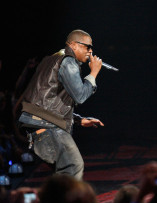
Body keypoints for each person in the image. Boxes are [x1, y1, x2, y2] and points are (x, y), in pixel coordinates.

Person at [18, 29, 104, 180]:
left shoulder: (51, 59)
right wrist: (93, 73)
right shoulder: (68, 61)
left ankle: (55, 202)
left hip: (38, 124)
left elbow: (48, 97)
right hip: (47, 126)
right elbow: (80, 96)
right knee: (72, 166)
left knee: (63, 174)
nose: (90, 51)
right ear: (74, 45)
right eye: (87, 47)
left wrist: (78, 119)